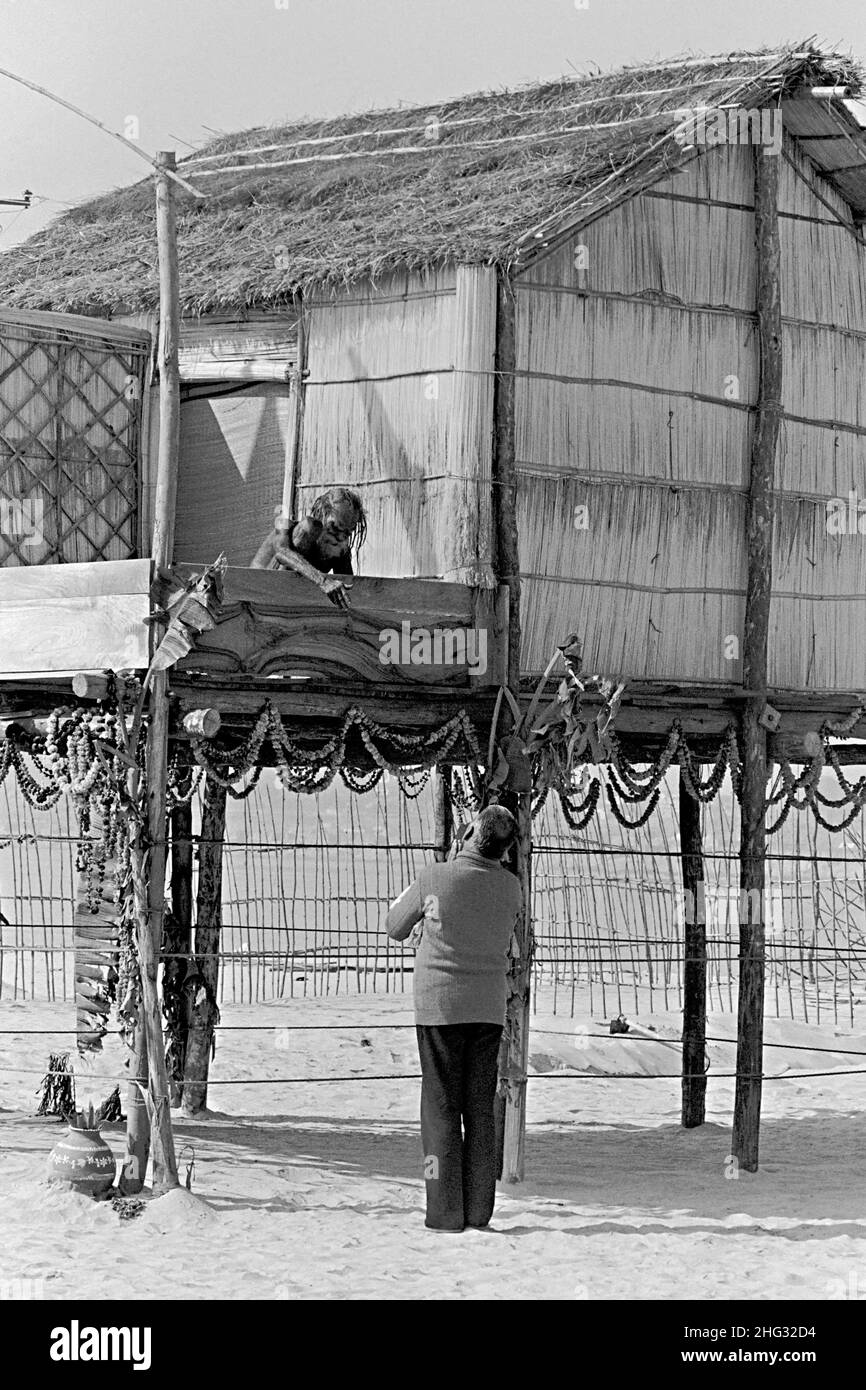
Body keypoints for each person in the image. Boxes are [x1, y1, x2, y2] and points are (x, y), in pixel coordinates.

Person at [386, 804, 523, 1232]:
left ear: (466, 831)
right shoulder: (512, 888)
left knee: (439, 1108)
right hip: (488, 1009)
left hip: (439, 1007)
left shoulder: (434, 876)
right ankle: (479, 1210)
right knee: (479, 1108)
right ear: (505, 850)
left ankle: (443, 1210)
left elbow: (394, 924)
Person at [250, 487, 366, 609]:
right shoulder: (287, 526)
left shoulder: (339, 546)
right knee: (310, 527)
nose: (339, 537)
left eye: (346, 532)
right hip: (259, 594)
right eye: (334, 528)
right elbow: (282, 552)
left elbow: (349, 589)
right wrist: (323, 581)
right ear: (322, 515)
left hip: (294, 606)